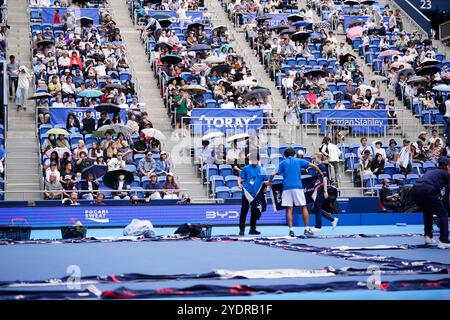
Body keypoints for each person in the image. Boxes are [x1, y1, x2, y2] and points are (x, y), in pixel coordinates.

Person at [268, 148, 325, 237]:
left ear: (285, 155)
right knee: (303, 207)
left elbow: (272, 174)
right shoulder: (298, 160)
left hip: (287, 188)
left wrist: (269, 182)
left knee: (289, 209)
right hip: (297, 187)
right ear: (294, 154)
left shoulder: (283, 162)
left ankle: (291, 231)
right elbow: (314, 166)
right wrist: (321, 173)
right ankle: (306, 229)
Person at [410, 157, 450, 249]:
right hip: (427, 190)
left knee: (428, 212)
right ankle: (444, 241)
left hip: (414, 191)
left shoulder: (431, 172)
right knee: (443, 214)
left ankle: (428, 237)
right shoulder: (446, 174)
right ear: (447, 166)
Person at [237, 153, 269, 236]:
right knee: (244, 212)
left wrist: (265, 187)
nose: (254, 161)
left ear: (258, 160)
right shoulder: (246, 169)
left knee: (255, 212)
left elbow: (266, 181)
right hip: (247, 194)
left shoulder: (262, 170)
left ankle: (252, 229)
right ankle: (241, 229)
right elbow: (240, 177)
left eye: (256, 160)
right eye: (253, 160)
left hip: (256, 195)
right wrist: (239, 184)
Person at [310, 153, 339, 231]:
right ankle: (332, 219)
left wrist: (325, 190)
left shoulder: (322, 167)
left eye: (315, 158)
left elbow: (325, 178)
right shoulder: (317, 166)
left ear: (319, 158)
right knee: (316, 208)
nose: (313, 159)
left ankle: (318, 226)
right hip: (317, 188)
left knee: (317, 207)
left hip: (321, 188)